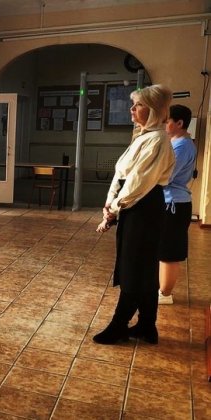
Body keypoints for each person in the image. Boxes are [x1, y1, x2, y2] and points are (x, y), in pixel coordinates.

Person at [94, 85, 175, 345]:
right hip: (134, 205)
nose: (132, 109)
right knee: (142, 268)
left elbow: (139, 182)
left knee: (135, 268)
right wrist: (110, 204)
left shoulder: (158, 139)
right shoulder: (143, 136)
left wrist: (115, 208)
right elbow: (122, 176)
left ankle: (119, 325)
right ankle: (147, 326)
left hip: (144, 207)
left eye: (138, 105)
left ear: (154, 110)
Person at [157, 104, 197, 305]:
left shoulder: (182, 145)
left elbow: (166, 176)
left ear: (179, 123)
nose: (164, 124)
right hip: (171, 202)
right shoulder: (177, 142)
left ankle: (165, 294)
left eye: (167, 121)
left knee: (169, 252)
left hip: (175, 204)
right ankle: (161, 290)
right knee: (164, 249)